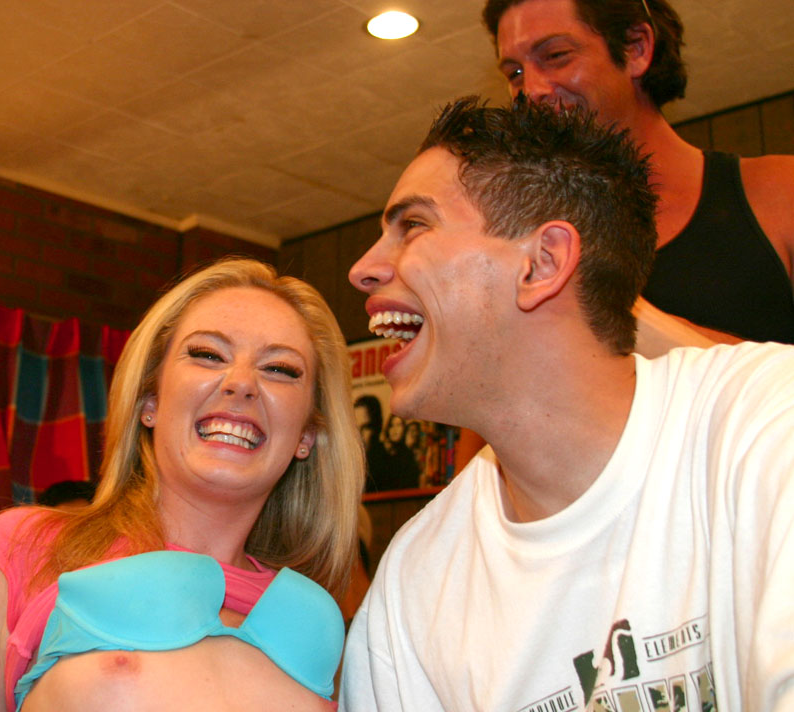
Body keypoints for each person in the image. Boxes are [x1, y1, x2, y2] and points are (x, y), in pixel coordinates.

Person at [340, 97, 794, 711]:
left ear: (542, 263)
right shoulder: (415, 579)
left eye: (414, 225)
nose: (363, 269)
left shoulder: (767, 425)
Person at [0, 258, 365, 712]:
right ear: (149, 401)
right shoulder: (28, 546)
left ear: (307, 435)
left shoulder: (314, 623)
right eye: (208, 354)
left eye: (280, 369)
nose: (241, 384)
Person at [482, 0, 794, 351]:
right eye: (515, 74)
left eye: (556, 56)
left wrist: (624, 316)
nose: (531, 90)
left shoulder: (780, 191)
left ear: (636, 48)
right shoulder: (533, 247)